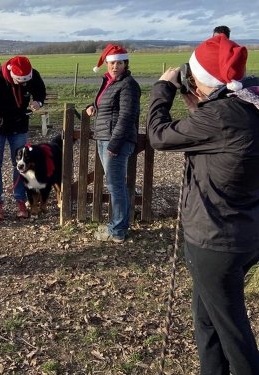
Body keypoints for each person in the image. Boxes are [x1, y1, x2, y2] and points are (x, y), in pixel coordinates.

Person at [147, 34, 259, 374]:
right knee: (207, 321)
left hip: (216, 240)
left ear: (202, 80)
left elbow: (158, 135)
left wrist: (163, 89)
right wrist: (204, 95)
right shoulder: (249, 101)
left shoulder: (221, 117)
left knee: (232, 332)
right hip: (244, 229)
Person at [0, 55, 47, 220]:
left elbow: (40, 91)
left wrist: (38, 102)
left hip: (19, 126)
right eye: (19, 81)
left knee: (21, 164)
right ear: (11, 73)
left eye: (25, 82)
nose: (23, 85)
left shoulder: (32, 75)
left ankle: (20, 200)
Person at [86, 44, 141, 243]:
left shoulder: (128, 85)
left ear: (125, 64)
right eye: (111, 63)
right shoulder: (109, 82)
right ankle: (119, 225)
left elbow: (126, 116)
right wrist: (92, 107)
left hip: (115, 140)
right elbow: (108, 106)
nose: (115, 66)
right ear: (106, 64)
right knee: (115, 184)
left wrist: (114, 144)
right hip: (104, 137)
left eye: (119, 62)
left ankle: (118, 230)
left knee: (116, 186)